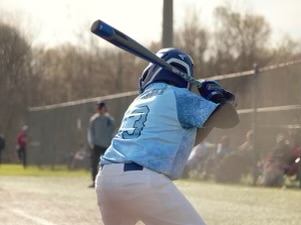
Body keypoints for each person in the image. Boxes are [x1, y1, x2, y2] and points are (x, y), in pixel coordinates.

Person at [95, 48, 239, 225]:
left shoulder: (139, 101)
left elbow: (189, 140)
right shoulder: (179, 95)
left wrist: (218, 104)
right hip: (142, 180)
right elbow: (230, 118)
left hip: (106, 179)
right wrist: (216, 97)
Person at [87, 101, 115, 188]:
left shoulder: (109, 120)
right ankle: (94, 181)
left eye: (101, 108)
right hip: (96, 145)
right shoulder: (94, 120)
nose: (100, 110)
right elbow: (90, 132)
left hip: (107, 145)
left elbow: (113, 131)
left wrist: (112, 142)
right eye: (99, 108)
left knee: (107, 164)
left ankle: (107, 181)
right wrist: (91, 142)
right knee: (94, 163)